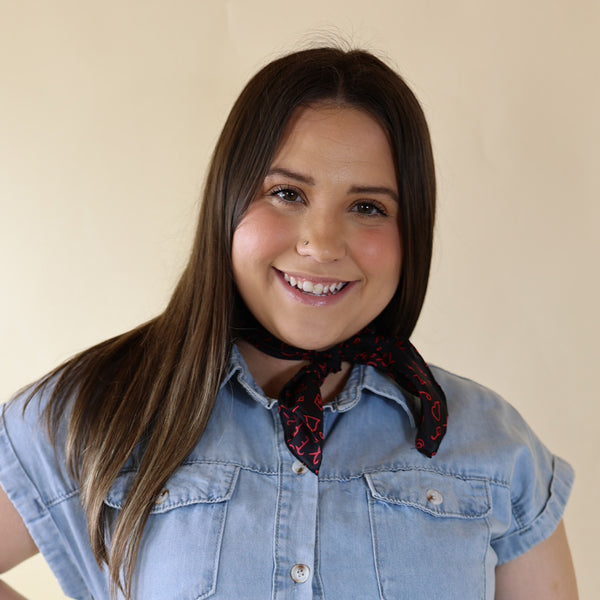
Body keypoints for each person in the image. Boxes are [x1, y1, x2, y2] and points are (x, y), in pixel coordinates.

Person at [0, 46, 577, 600]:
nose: (321, 244)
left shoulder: (497, 451)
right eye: (285, 192)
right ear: (227, 202)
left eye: (368, 207)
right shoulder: (93, 411)